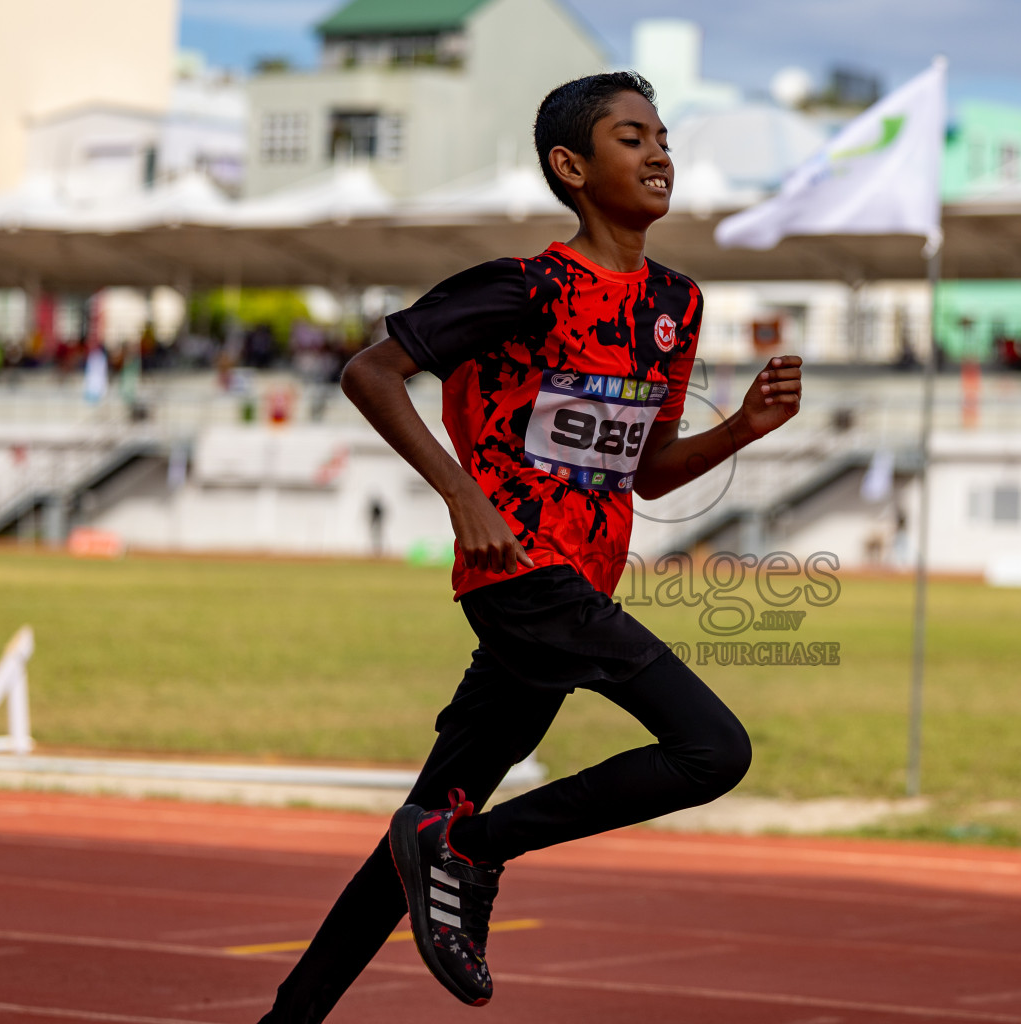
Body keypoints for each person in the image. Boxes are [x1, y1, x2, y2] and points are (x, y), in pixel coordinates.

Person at [254, 71, 802, 1021]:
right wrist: (463, 495)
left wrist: (744, 427)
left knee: (410, 841)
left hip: (573, 590)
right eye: (632, 138)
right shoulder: (525, 287)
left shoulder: (675, 304)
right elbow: (371, 372)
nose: (660, 152)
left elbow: (651, 471)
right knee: (713, 748)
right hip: (525, 582)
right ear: (571, 167)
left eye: (663, 135)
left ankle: (291, 1011)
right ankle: (472, 849)